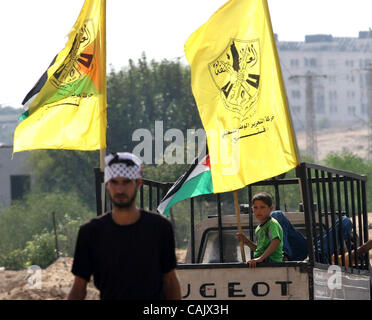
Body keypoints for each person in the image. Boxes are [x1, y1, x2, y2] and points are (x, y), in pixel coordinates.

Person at [68, 152, 181, 300]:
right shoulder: (90, 233)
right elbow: (78, 288)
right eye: (114, 182)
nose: (120, 190)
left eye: (126, 182)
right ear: (107, 184)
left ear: (138, 183)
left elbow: (170, 281)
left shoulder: (159, 228)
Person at [237, 192, 283, 267]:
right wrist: (246, 241)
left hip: (272, 263)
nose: (258, 211)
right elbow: (259, 250)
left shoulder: (272, 224)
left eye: (262, 207)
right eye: (255, 207)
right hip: (262, 262)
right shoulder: (258, 228)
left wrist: (260, 258)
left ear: (271, 208)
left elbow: (276, 241)